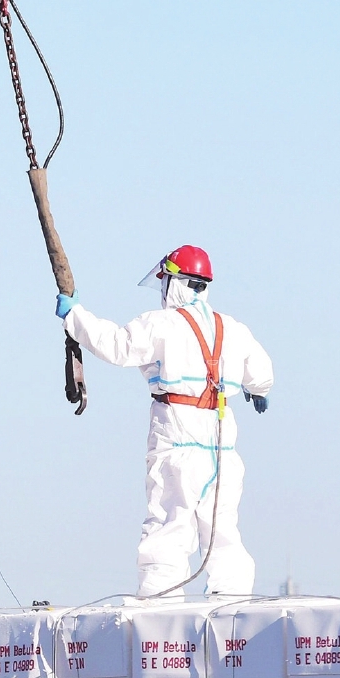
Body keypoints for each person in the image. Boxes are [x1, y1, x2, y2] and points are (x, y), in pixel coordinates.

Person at [57, 245, 274, 598]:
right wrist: (254, 389)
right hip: (222, 451)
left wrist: (75, 316)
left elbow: (117, 346)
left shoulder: (161, 325)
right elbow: (263, 374)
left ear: (176, 283)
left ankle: (160, 613)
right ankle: (233, 606)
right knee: (223, 532)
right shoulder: (232, 328)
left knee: (169, 527)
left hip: (177, 444)